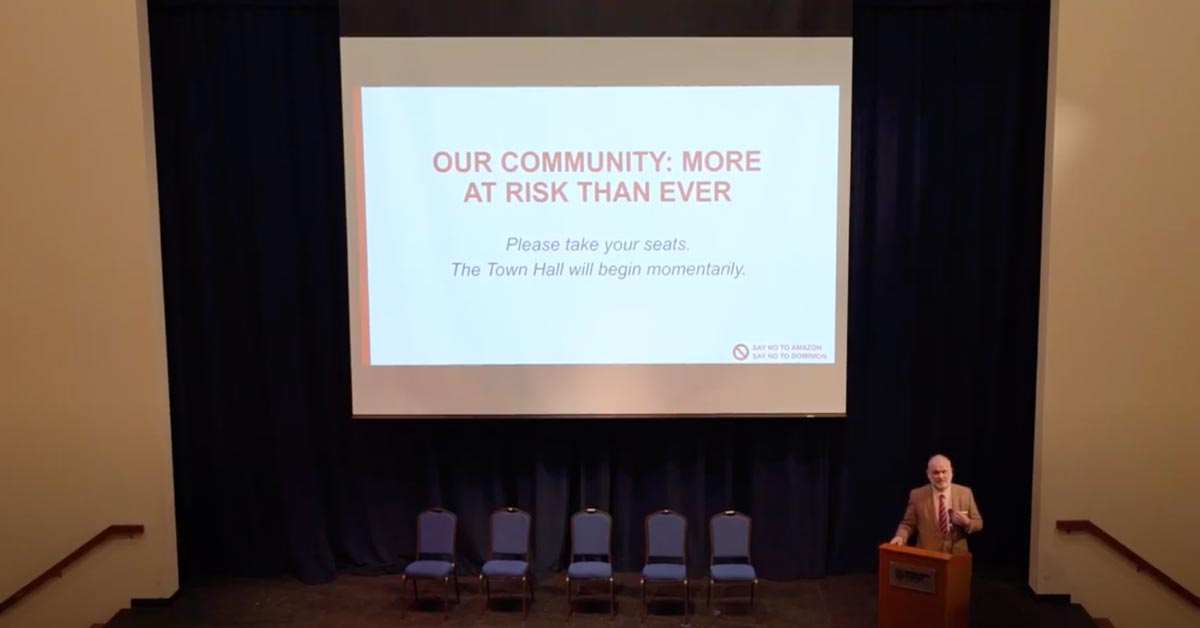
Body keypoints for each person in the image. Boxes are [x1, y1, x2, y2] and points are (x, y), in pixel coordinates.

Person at [889, 454, 983, 554]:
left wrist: (968, 523)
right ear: (928, 474)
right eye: (936, 473)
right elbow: (907, 524)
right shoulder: (917, 495)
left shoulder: (965, 493)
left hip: (957, 557)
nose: (941, 476)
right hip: (927, 556)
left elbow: (978, 522)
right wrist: (900, 537)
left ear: (951, 471)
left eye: (944, 472)